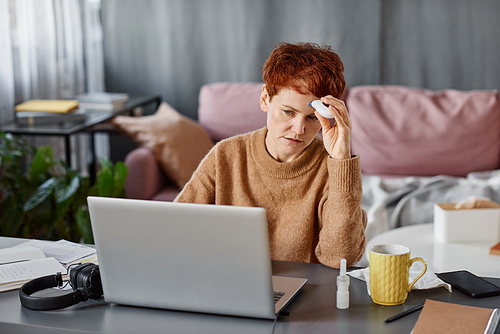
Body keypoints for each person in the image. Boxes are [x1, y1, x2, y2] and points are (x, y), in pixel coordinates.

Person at [175, 42, 367, 269]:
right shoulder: (226, 155)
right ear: (265, 99)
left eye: (312, 118)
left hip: (306, 295)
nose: (298, 129)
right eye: (288, 112)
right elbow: (175, 230)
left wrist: (342, 161)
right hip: (229, 286)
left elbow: (340, 258)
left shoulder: (333, 167)